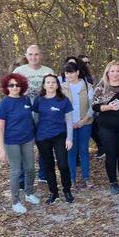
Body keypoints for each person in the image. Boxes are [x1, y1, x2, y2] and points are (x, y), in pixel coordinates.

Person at [0, 73, 41, 213]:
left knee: (30, 168)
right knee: (16, 171)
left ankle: (29, 193)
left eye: (17, 85)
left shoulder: (26, 99)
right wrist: (1, 148)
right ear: (6, 87)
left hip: (27, 139)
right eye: (11, 85)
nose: (15, 87)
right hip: (11, 141)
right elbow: (0, 127)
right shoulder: (4, 103)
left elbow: (32, 119)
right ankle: (15, 201)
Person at [92, 61, 119, 194]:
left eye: (118, 71)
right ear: (107, 72)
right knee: (110, 154)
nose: (115, 74)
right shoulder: (101, 87)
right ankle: (113, 182)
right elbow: (94, 106)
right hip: (106, 126)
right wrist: (109, 107)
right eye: (112, 71)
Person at [13, 45, 55, 183]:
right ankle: (22, 179)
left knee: (44, 144)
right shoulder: (19, 71)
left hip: (43, 115)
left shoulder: (48, 71)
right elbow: (10, 91)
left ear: (40, 55)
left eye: (36, 54)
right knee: (23, 148)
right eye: (30, 54)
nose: (33, 57)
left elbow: (55, 91)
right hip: (24, 115)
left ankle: (43, 174)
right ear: (26, 55)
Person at [33, 74, 75, 204]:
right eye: (48, 82)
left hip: (59, 135)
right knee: (48, 165)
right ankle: (54, 192)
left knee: (63, 164)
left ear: (57, 85)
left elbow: (69, 121)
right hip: (42, 137)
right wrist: (34, 137)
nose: (51, 84)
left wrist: (69, 138)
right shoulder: (38, 100)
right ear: (44, 85)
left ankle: (67, 191)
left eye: (53, 82)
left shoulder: (63, 100)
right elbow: (35, 120)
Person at [62, 63, 95, 188]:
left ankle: (87, 178)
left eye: (71, 72)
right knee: (71, 152)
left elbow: (92, 106)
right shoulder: (62, 88)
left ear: (77, 73)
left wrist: (83, 120)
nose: (68, 75)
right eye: (66, 73)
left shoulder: (87, 86)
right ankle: (71, 179)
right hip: (68, 125)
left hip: (85, 123)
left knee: (83, 151)